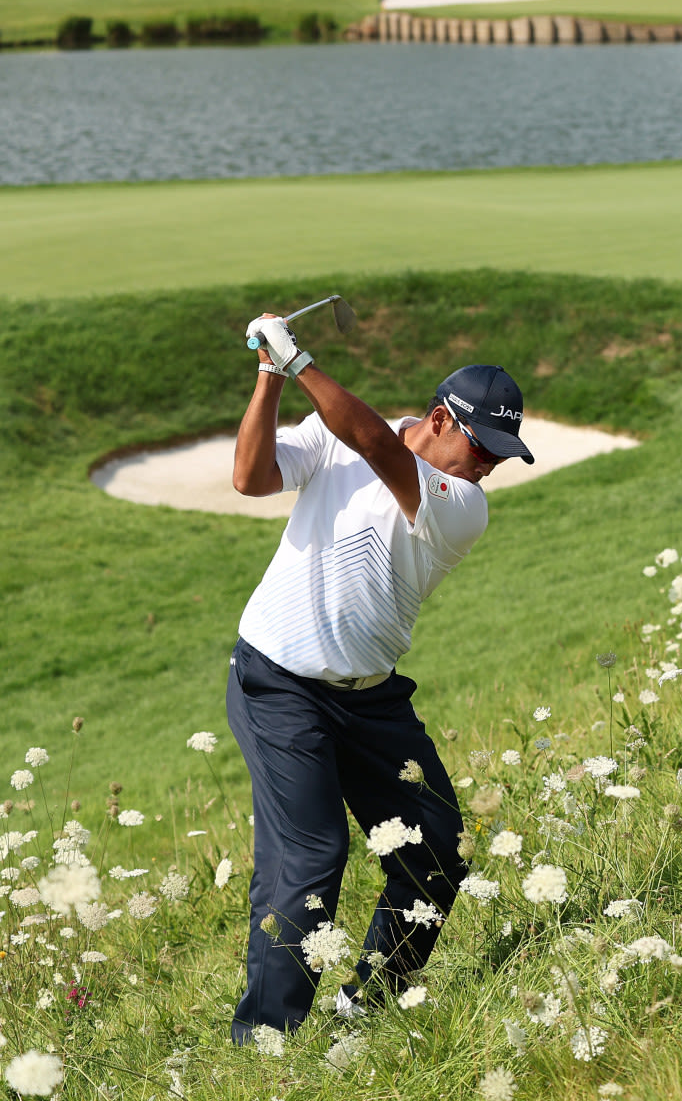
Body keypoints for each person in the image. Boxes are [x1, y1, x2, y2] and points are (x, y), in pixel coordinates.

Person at [225, 312, 534, 1043]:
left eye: (501, 454)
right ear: (437, 420)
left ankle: (370, 1005)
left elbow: (369, 441)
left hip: (370, 698)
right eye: (483, 447)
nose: (490, 464)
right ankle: (266, 1046)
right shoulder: (342, 436)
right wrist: (271, 375)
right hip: (278, 683)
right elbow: (249, 477)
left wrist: (296, 357)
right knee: (309, 857)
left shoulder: (464, 508)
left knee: (437, 845)